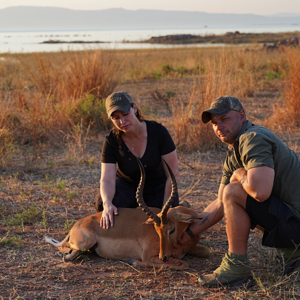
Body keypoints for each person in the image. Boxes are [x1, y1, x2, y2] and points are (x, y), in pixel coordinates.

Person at [176, 95, 300, 288]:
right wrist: (186, 236)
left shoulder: (253, 137)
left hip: (296, 222)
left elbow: (260, 193)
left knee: (235, 190)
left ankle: (236, 268)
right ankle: (293, 252)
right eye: (214, 123)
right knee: (232, 193)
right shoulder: (235, 149)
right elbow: (221, 202)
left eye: (225, 119)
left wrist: (241, 174)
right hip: (292, 222)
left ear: (242, 116)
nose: (218, 126)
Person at [95, 91, 179, 229]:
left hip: (157, 187)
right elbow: (107, 180)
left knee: (171, 216)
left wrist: (165, 209)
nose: (122, 122)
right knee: (101, 203)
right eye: (116, 117)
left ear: (134, 108)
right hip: (127, 187)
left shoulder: (158, 132)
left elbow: (172, 175)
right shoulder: (111, 141)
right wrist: (107, 203)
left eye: (125, 114)